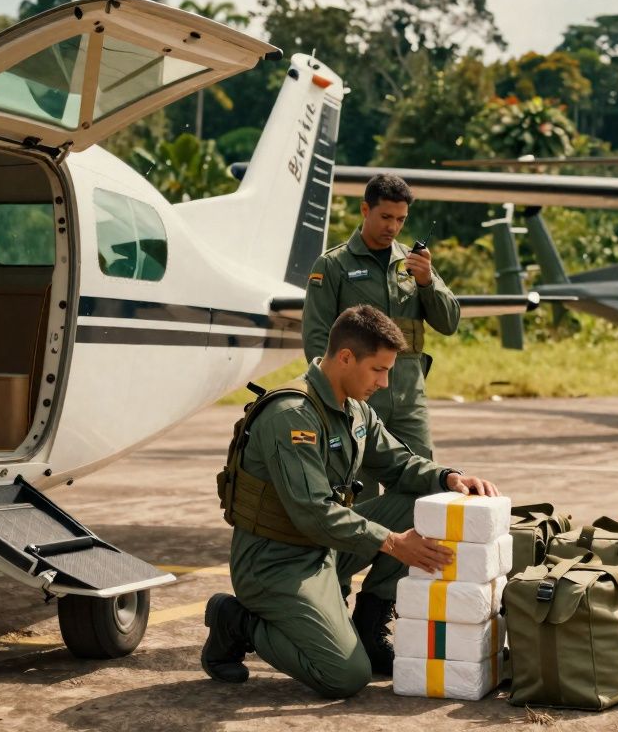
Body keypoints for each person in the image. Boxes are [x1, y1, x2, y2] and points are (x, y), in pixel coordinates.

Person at [204, 305, 499, 698]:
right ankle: (236, 620)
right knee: (345, 675)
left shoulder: (355, 409)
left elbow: (398, 463)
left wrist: (449, 477)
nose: (385, 381)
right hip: (276, 560)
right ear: (345, 357)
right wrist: (395, 544)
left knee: (427, 500)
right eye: (378, 369)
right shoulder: (292, 415)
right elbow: (313, 512)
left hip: (325, 545)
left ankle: (369, 624)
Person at [301, 174, 459, 500]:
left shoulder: (414, 263)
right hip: (357, 396)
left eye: (401, 220)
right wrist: (333, 398)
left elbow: (449, 322)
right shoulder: (333, 265)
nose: (393, 227)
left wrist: (428, 282)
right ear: (365, 209)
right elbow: (317, 336)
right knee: (358, 489)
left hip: (407, 396)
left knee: (424, 484)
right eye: (386, 217)